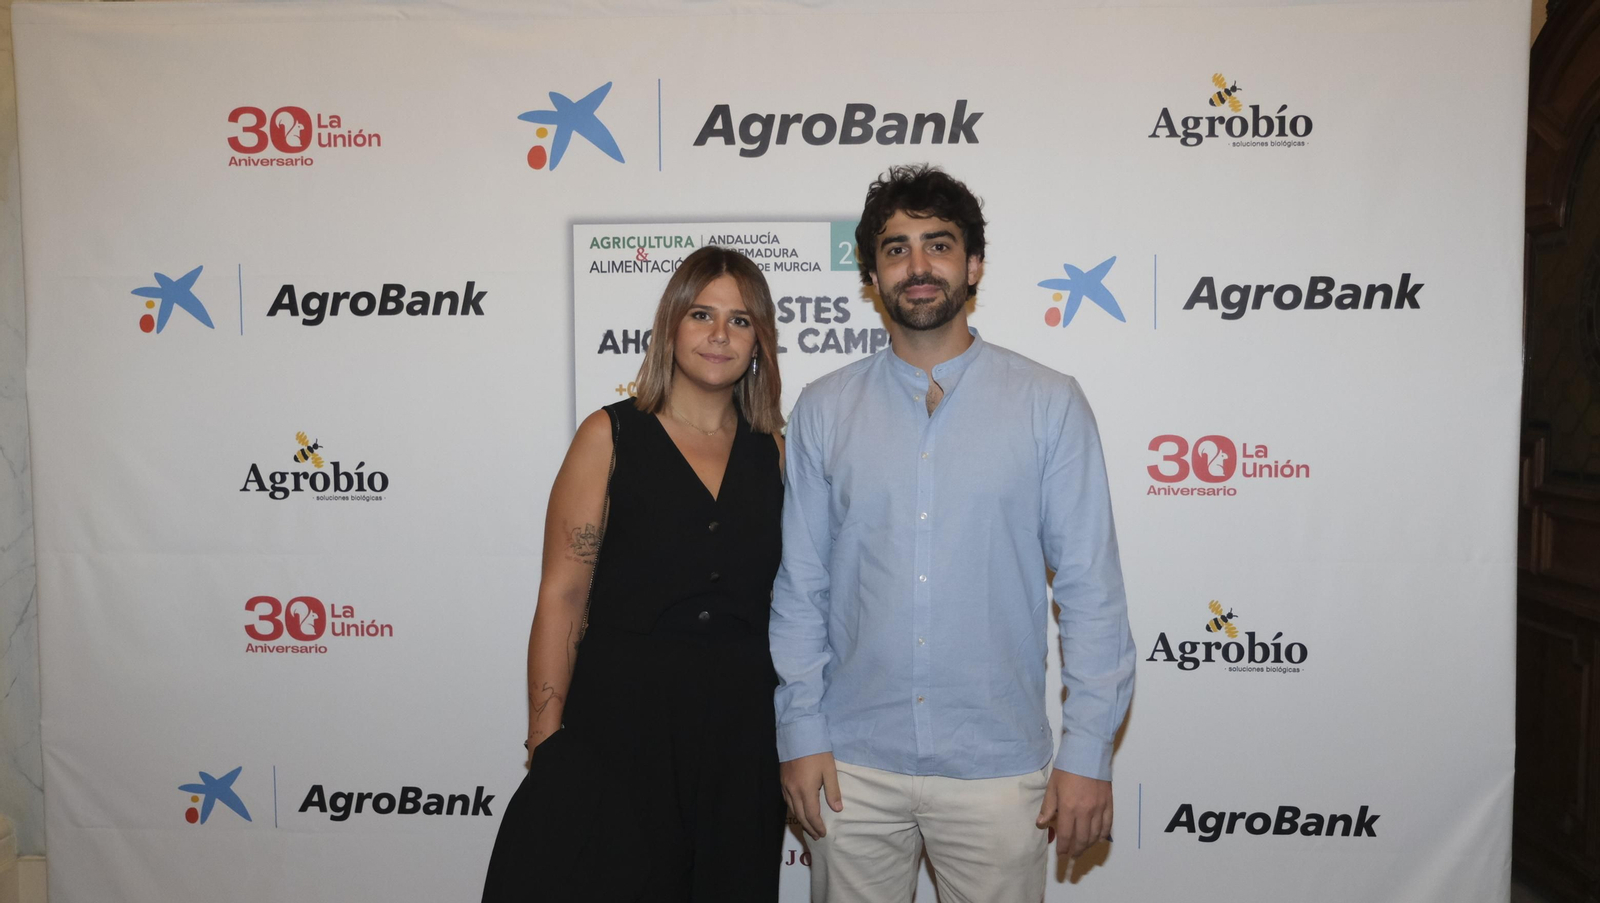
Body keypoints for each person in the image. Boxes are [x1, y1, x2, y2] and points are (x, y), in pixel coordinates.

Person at [770, 165, 1136, 902]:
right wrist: (800, 731)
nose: (919, 266)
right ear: (872, 273)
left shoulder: (1048, 404)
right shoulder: (823, 408)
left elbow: (1092, 591)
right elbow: (801, 586)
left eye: (938, 245)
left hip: (999, 770)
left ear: (973, 265)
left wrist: (1089, 750)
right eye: (896, 248)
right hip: (851, 768)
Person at [483, 245, 788, 902]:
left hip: (741, 736)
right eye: (702, 313)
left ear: (759, 339)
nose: (719, 334)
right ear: (671, 324)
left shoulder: (778, 452)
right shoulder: (609, 435)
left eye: (740, 320)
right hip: (617, 726)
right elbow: (562, 594)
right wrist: (546, 743)